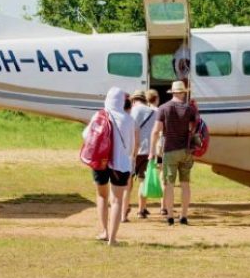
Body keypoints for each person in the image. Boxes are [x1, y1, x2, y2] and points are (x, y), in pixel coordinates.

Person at [83, 87, 138, 245]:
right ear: (121, 101)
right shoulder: (128, 119)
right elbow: (130, 145)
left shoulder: (100, 115)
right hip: (120, 163)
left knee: (101, 196)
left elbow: (86, 135)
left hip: (100, 161)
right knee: (117, 201)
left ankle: (104, 232)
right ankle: (113, 239)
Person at [149, 80, 196, 225]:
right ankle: (184, 216)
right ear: (183, 93)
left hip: (170, 150)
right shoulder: (189, 109)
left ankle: (170, 216)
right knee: (185, 184)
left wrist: (152, 151)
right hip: (186, 151)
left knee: (169, 184)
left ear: (173, 92)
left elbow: (156, 131)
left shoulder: (163, 108)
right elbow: (193, 129)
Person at [127, 90, 157, 220]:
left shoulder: (131, 112)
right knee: (143, 180)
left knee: (128, 181)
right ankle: (141, 210)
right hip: (148, 150)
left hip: (132, 150)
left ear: (133, 100)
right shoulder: (154, 112)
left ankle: (124, 209)